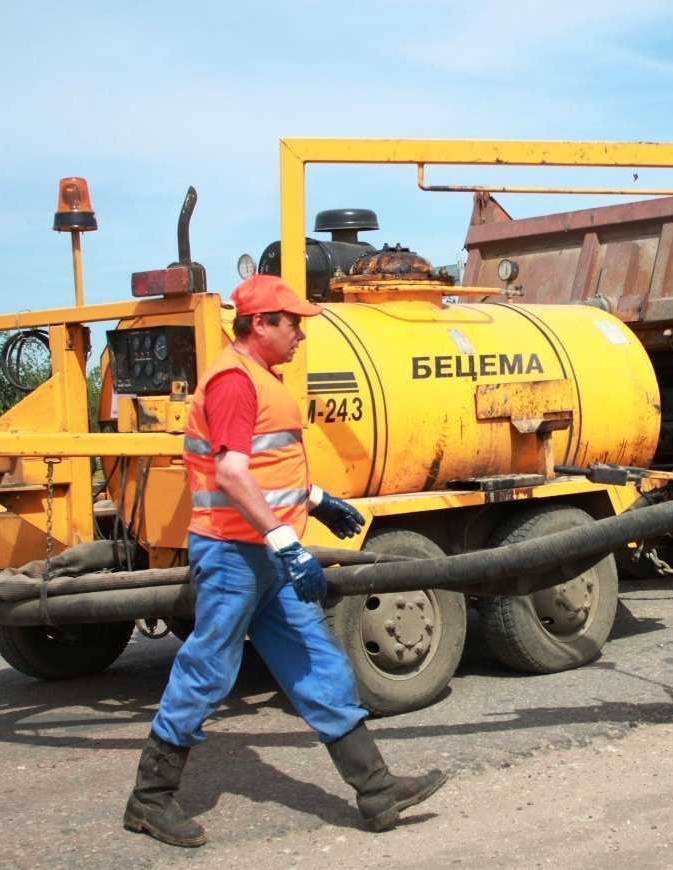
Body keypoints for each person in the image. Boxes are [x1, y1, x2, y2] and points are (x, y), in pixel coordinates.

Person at [124, 275, 446, 847]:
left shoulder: (261, 379)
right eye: (292, 322)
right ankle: (149, 801)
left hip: (263, 554)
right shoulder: (232, 382)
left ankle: (375, 790)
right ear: (261, 324)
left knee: (317, 663)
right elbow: (229, 473)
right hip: (232, 554)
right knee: (210, 669)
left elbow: (266, 467)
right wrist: (284, 541)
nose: (301, 332)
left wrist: (317, 500)